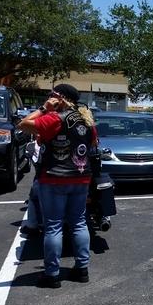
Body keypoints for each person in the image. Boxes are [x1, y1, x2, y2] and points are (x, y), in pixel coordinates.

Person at [17, 84, 97, 288]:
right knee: (79, 222)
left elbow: (23, 124)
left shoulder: (55, 117)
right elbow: (93, 145)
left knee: (53, 226)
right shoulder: (87, 120)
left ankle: (52, 274)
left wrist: (44, 108)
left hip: (53, 177)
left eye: (52, 95)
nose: (50, 98)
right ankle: (82, 269)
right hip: (80, 177)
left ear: (61, 98)